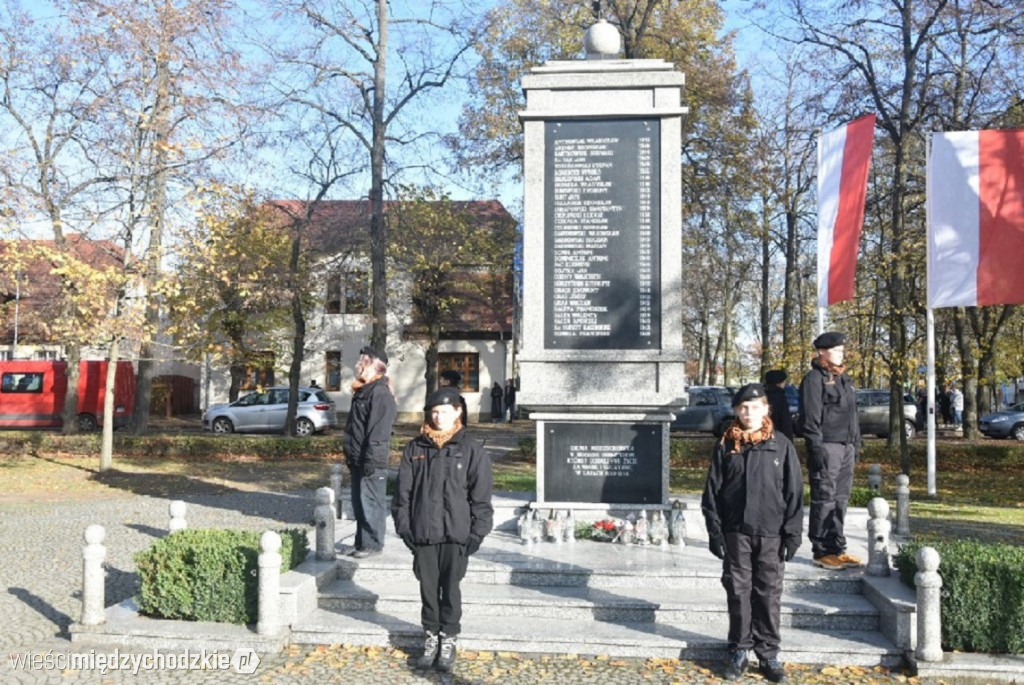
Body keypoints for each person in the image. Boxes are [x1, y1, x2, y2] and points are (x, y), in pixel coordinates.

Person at [702, 383, 803, 683]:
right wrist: (715, 532)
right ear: (736, 410)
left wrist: (793, 534)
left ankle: (769, 653)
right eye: (743, 408)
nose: (748, 412)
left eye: (754, 407)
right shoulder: (725, 445)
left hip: (771, 533)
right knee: (737, 591)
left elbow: (795, 493)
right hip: (736, 532)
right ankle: (739, 650)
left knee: (769, 594)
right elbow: (712, 492)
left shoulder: (781, 444)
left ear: (765, 409)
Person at [392, 386, 494, 672]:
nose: (438, 417)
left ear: (458, 412)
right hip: (423, 534)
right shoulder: (415, 448)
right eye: (434, 411)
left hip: (455, 535)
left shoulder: (471, 448)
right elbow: (403, 495)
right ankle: (431, 638)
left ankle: (448, 638)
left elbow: (481, 497)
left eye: (445, 411)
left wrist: (477, 534)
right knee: (427, 590)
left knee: (450, 589)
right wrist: (405, 530)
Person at [798, 331, 862, 571]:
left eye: (842, 350)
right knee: (825, 497)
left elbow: (852, 415)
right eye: (836, 350)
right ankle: (822, 550)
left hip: (846, 445)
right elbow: (810, 418)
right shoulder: (815, 379)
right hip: (827, 446)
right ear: (822, 352)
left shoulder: (845, 379)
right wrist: (816, 448)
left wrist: (856, 444)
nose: (840, 353)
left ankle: (837, 546)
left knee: (841, 498)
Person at [342, 345, 397, 559]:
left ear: (375, 366)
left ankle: (373, 544)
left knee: (371, 503)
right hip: (358, 458)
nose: (357, 366)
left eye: (362, 362)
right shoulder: (363, 391)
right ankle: (361, 543)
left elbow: (379, 432)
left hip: (371, 460)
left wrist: (371, 460)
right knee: (359, 503)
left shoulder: (380, 393)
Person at [763, 369, 794, 441]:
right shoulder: (780, 396)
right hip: (778, 435)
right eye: (784, 381)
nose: (785, 383)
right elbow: (785, 420)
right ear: (779, 383)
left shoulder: (762, 395)